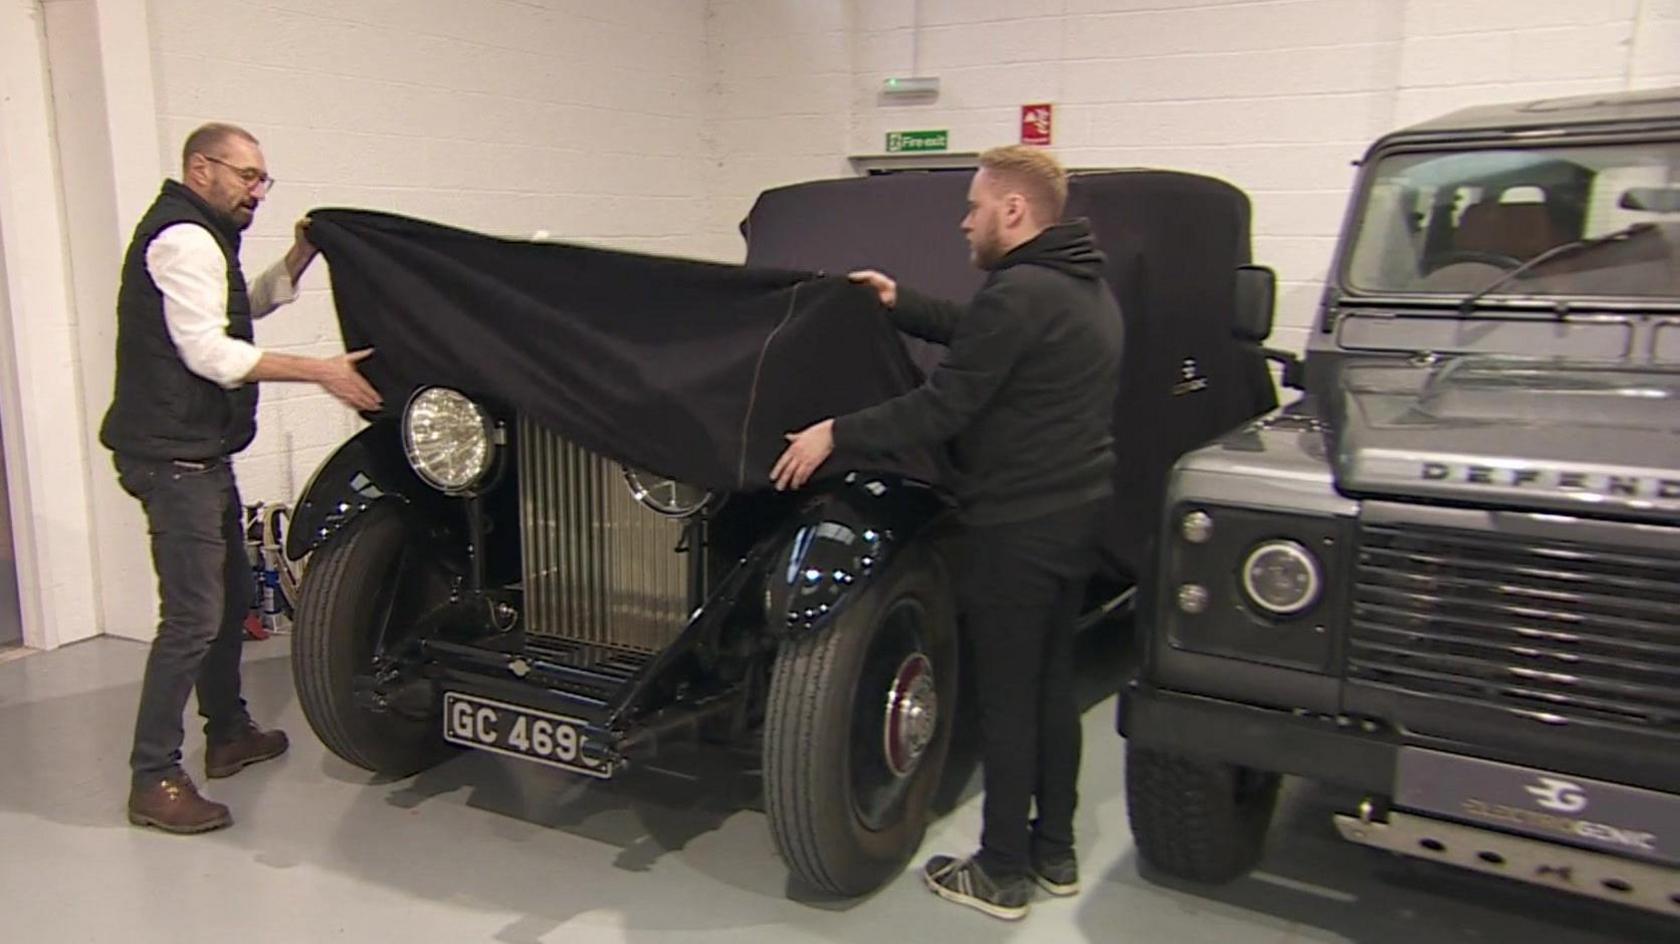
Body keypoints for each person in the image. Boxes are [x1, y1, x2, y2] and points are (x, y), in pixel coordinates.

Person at [771, 145, 1124, 920]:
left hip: (1019, 529)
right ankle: (1054, 852)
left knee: (1004, 700)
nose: (965, 223)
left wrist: (837, 431)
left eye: (973, 208)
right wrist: (903, 303)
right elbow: (984, 331)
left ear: (1013, 211)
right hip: (1076, 521)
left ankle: (1000, 872)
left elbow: (943, 408)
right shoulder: (1081, 288)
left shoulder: (1022, 294)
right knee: (1049, 692)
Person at [101, 122, 383, 834]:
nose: (257, 190)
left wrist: (302, 253)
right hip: (174, 458)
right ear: (202, 169)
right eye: (247, 175)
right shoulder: (184, 239)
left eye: (264, 180)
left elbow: (242, 307)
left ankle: (228, 733)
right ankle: (153, 777)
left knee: (224, 602)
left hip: (197, 451)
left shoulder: (204, 238)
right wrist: (323, 371)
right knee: (193, 616)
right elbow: (212, 355)